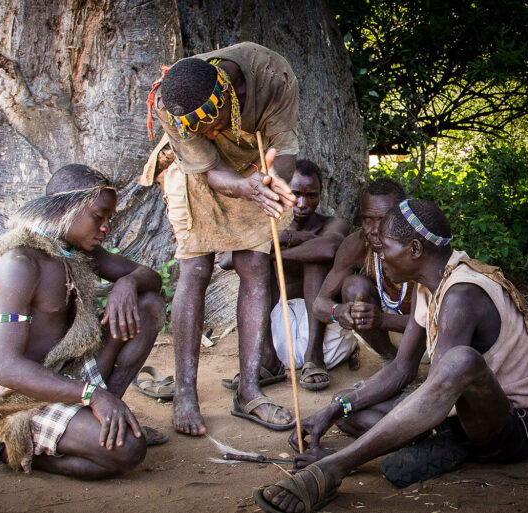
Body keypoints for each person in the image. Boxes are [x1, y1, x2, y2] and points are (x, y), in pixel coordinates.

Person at [254, 199, 528, 513]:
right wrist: (332, 411)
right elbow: (401, 369)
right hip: (459, 419)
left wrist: (347, 452)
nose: (380, 258)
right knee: (350, 407)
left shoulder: (462, 294)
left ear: (415, 250)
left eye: (385, 248)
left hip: (511, 428)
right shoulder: (428, 287)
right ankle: (440, 444)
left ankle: (333, 469)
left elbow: (440, 392)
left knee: (461, 361)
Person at [0, 164, 166, 479]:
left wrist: (127, 283)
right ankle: (13, 446)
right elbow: (9, 369)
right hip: (18, 396)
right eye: (98, 217)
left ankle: (108, 415)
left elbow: (151, 280)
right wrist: (91, 394)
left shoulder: (75, 251)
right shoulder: (20, 265)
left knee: (148, 305)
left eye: (109, 219)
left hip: (65, 372)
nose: (106, 228)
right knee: (128, 450)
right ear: (64, 210)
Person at [139, 42, 299, 435]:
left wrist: (272, 184)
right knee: (195, 267)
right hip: (197, 171)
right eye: (200, 129)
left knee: (255, 265)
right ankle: (185, 394)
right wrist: (244, 188)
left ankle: (249, 391)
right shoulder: (170, 101)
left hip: (254, 164)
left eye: (212, 125)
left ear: (234, 95)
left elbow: (285, 150)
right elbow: (207, 168)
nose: (208, 133)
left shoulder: (273, 76)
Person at [220, 160, 354, 392]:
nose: (302, 204)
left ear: (321, 194)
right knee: (259, 267)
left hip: (325, 337)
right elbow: (226, 261)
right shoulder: (267, 223)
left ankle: (313, 358)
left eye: (311, 195)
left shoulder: (333, 223)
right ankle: (267, 360)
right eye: (295, 194)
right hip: (279, 336)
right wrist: (282, 238)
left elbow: (330, 248)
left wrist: (274, 250)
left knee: (313, 261)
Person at [306, 178, 411, 389]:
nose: (373, 229)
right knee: (354, 287)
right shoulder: (357, 245)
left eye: (383, 219)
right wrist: (339, 311)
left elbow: (430, 321)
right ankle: (391, 358)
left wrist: (381, 319)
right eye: (367, 219)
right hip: (389, 332)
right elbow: (320, 304)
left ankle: (408, 367)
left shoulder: (417, 247)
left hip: (427, 334)